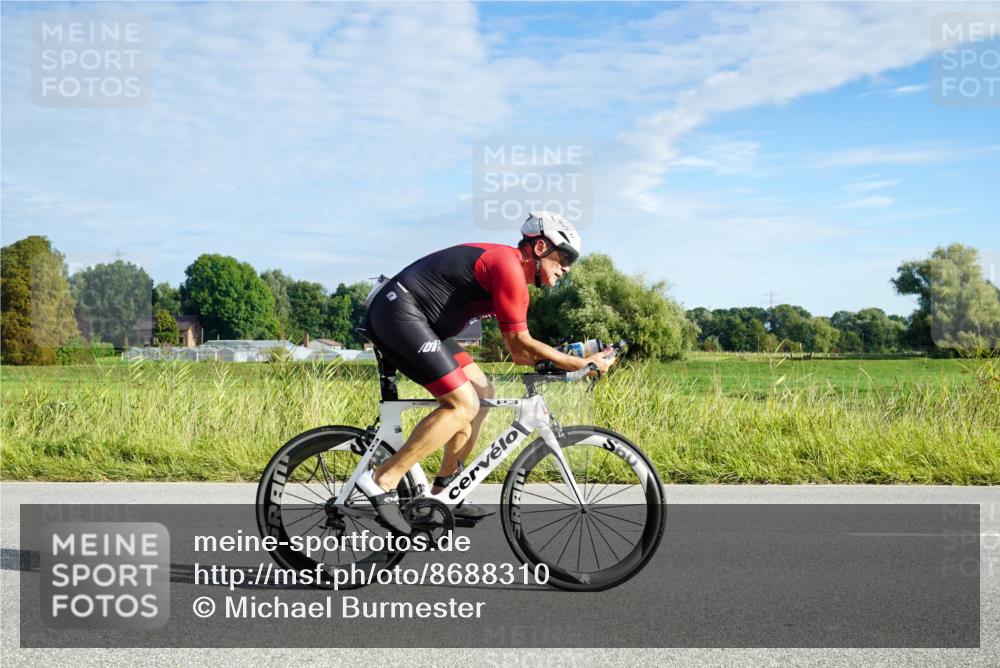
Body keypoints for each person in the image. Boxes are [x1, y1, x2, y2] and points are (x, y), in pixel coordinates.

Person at [355, 211, 616, 533]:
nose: (567, 268)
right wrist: (581, 364)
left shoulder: (515, 281)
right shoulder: (508, 266)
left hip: (425, 324)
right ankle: (383, 479)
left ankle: (446, 489)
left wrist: (572, 357)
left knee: (482, 392)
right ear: (539, 248)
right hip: (400, 313)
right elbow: (521, 345)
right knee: (462, 404)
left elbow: (520, 354)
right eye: (563, 258)